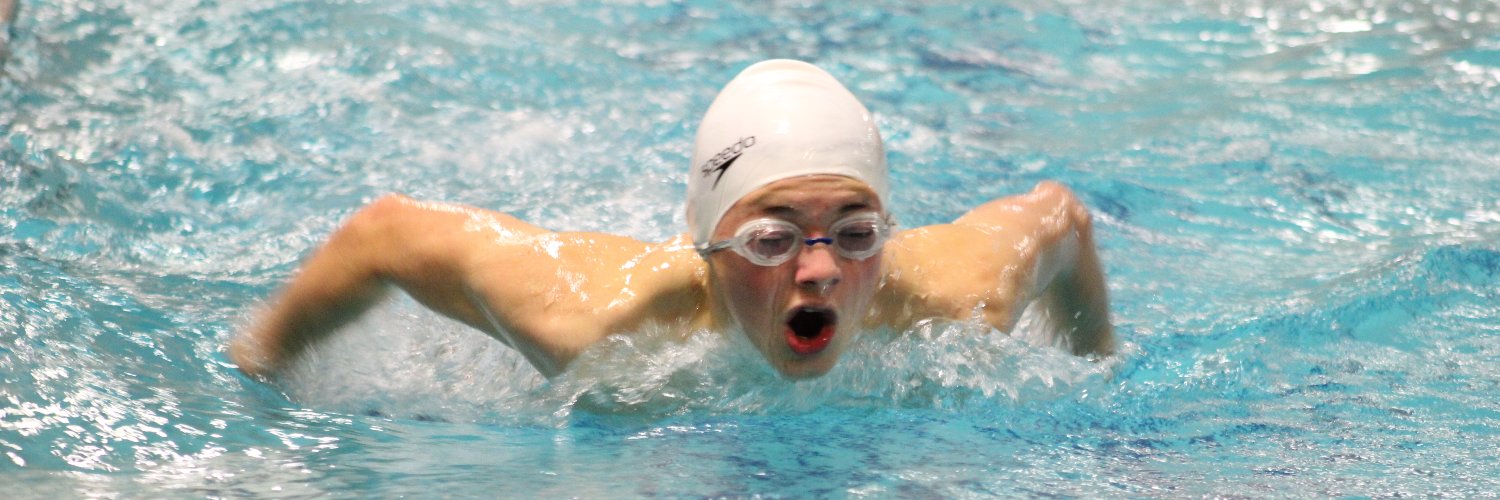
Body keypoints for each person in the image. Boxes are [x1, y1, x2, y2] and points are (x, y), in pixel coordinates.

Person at [229, 59, 1113, 380]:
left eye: (854, 231)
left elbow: (1061, 217)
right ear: (707, 243)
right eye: (770, 238)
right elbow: (386, 232)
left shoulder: (959, 298)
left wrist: (1096, 369)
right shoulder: (590, 321)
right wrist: (259, 369)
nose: (819, 272)